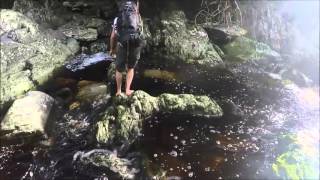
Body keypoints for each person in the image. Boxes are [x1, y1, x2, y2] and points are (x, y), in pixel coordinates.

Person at [109, 0, 142, 96]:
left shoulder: (117, 19)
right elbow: (140, 31)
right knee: (131, 67)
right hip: (134, 42)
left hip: (122, 43)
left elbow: (113, 37)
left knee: (119, 69)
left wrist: (112, 48)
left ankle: (118, 91)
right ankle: (127, 90)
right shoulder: (138, 17)